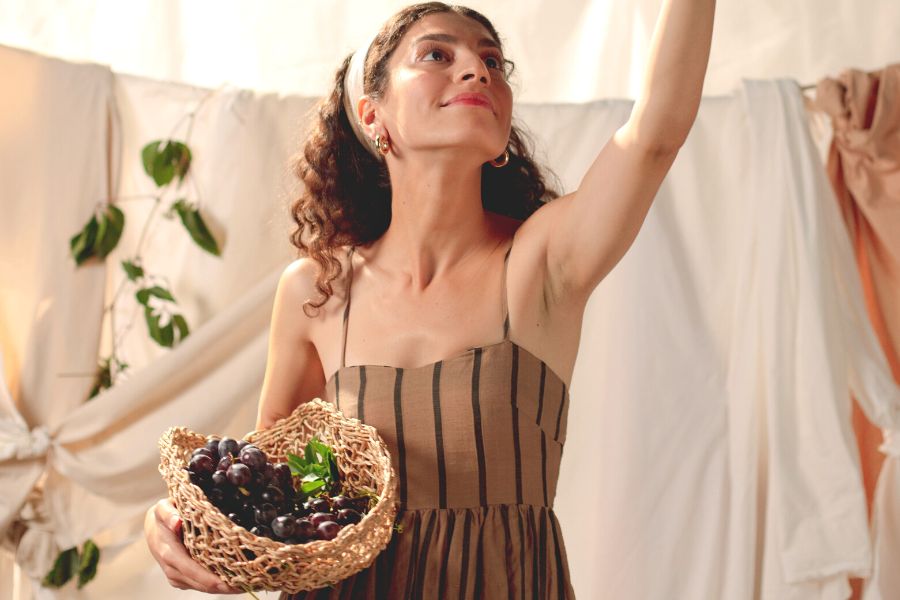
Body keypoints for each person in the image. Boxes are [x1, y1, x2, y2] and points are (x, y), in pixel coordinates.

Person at [145, 1, 715, 597]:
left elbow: (655, 134)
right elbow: (264, 491)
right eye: (438, 55)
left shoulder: (540, 261)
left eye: (493, 60)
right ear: (373, 116)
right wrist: (168, 523)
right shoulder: (317, 289)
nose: (478, 69)